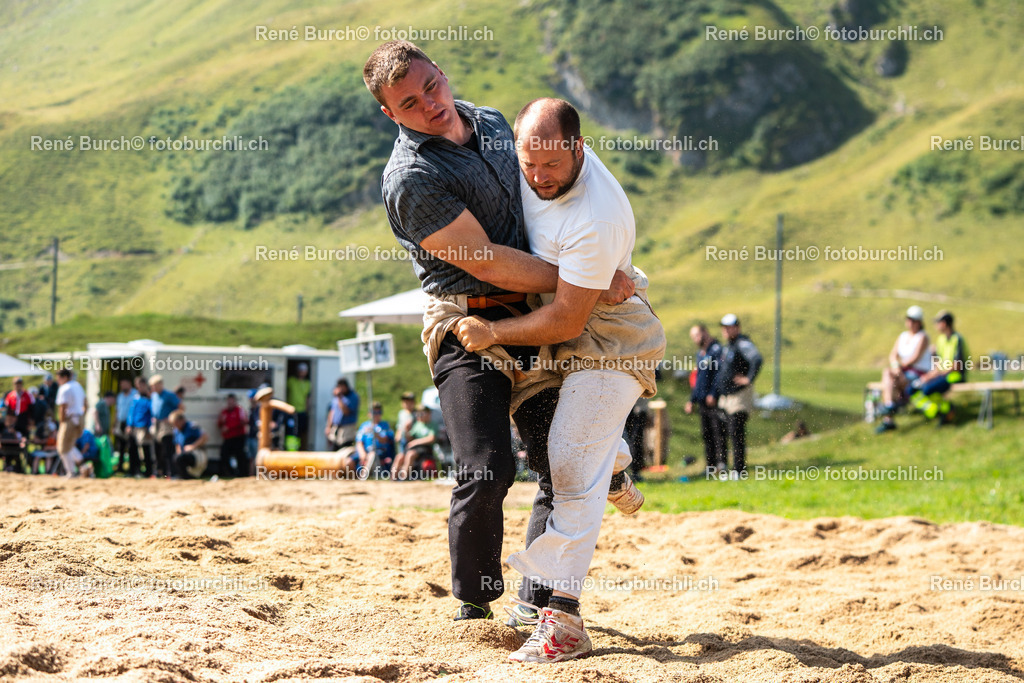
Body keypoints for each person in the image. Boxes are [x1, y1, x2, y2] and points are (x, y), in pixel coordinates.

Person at [364, 41, 634, 622]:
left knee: (559, 467)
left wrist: (592, 260)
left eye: (431, 86)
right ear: (391, 115)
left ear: (441, 72)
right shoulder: (411, 178)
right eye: (410, 103)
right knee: (486, 466)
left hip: (535, 314)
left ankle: (535, 600)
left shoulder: (490, 122)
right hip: (466, 322)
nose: (431, 104)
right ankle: (475, 601)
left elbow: (547, 196)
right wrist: (585, 278)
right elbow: (483, 258)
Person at [454, 98, 665, 662]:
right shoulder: (521, 156)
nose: (539, 177)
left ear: (578, 148)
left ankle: (565, 618)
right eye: (530, 164)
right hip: (562, 318)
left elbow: (568, 318)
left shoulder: (598, 214)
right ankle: (612, 464)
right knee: (566, 448)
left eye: (551, 165)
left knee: (570, 460)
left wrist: (495, 336)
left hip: (611, 334)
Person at [712, 314, 762, 476]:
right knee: (722, 431)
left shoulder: (743, 343)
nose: (726, 330)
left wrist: (748, 378)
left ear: (737, 328)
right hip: (727, 397)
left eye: (729, 327)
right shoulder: (728, 346)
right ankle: (724, 466)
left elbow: (757, 359)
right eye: (724, 328)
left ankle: (739, 469)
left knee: (736, 431)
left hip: (739, 396)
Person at [875, 306, 932, 433]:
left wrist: (899, 367)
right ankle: (889, 408)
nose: (910, 322)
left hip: (918, 374)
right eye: (908, 319)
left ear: (919, 322)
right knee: (888, 375)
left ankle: (888, 414)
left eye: (913, 320)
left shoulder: (923, 337)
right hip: (902, 372)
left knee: (889, 380)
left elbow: (915, 358)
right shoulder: (902, 336)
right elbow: (893, 354)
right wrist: (896, 366)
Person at [906, 310, 967, 427]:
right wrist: (928, 376)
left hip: (955, 375)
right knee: (914, 388)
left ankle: (948, 410)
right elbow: (938, 364)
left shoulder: (957, 339)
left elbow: (957, 365)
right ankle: (943, 410)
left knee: (928, 388)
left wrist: (936, 374)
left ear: (944, 323)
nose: (936, 325)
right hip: (942, 374)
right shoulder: (941, 340)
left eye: (937, 322)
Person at [685, 324, 727, 476]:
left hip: (714, 400)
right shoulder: (700, 354)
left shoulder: (717, 350)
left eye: (697, 335)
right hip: (702, 400)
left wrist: (713, 394)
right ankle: (710, 466)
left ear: (705, 332)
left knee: (718, 432)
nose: (695, 339)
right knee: (707, 434)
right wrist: (692, 400)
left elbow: (719, 374)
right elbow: (699, 379)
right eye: (693, 337)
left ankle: (722, 464)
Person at [391, 404, 438, 480]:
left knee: (410, 454)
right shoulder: (417, 425)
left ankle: (403, 478)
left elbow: (431, 438)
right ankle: (393, 479)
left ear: (428, 414)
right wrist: (406, 430)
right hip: (415, 448)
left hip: (426, 449)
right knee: (399, 457)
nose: (419, 416)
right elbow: (410, 438)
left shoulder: (432, 425)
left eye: (422, 413)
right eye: (418, 413)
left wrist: (416, 442)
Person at [55, 368, 86, 477]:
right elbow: (85, 403)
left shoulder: (65, 388)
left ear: (65, 377)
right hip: (80, 417)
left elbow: (63, 407)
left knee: (62, 447)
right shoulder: (78, 386)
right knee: (70, 445)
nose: (58, 380)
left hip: (69, 419)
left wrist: (62, 422)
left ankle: (71, 471)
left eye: (59, 378)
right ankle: (84, 467)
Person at [149, 375, 180, 478]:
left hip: (166, 425)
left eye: (154, 385)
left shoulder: (169, 395)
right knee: (156, 449)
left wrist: (171, 418)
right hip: (156, 424)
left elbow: (181, 407)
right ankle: (159, 471)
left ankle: (171, 472)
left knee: (168, 449)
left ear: (160, 384)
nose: (152, 388)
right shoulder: (154, 396)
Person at [355, 401, 396, 476]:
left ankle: (363, 476)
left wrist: (376, 435)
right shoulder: (364, 426)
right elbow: (359, 442)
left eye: (378, 412)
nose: (376, 415)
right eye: (374, 412)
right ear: (369, 414)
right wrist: (362, 453)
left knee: (372, 455)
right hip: (365, 451)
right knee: (349, 461)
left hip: (380, 452)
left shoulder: (385, 425)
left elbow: (386, 440)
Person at [126, 377, 154, 478]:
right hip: (134, 427)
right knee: (132, 449)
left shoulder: (149, 398)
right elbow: (131, 413)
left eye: (141, 385)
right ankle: (134, 471)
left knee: (146, 450)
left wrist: (149, 427)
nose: (140, 387)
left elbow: (151, 413)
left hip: (143, 427)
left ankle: (148, 472)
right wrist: (129, 424)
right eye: (138, 385)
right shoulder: (135, 397)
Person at [170, 410, 208, 479]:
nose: (175, 426)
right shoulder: (176, 431)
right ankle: (185, 477)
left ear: (182, 420)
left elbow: (205, 437)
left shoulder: (192, 426)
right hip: (185, 455)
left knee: (180, 458)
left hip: (197, 454)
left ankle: (189, 476)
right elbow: (177, 444)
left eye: (176, 423)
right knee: (177, 457)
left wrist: (193, 446)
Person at [218, 393, 249, 477]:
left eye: (231, 401)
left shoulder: (240, 410)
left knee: (240, 456)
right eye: (228, 402)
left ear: (235, 401)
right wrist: (222, 424)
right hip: (228, 438)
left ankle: (243, 474)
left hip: (238, 437)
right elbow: (219, 423)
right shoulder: (224, 412)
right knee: (224, 454)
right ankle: (228, 473)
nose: (230, 403)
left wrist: (229, 427)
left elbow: (243, 422)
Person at [325, 379, 359, 449]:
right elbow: (332, 412)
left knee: (345, 450)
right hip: (336, 428)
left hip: (347, 429)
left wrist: (340, 398)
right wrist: (328, 426)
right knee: (333, 449)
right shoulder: (336, 398)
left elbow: (346, 412)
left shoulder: (353, 397)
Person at [287, 363, 312, 450]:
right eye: (300, 370)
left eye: (304, 370)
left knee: (301, 432)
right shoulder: (291, 380)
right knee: (292, 432)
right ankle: (291, 451)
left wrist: (307, 410)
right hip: (291, 411)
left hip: (302, 412)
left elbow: (308, 398)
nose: (302, 372)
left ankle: (300, 450)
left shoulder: (308, 383)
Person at [114, 378, 134, 472]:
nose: (122, 386)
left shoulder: (135, 394)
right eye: (121, 384)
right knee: (120, 446)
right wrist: (114, 425)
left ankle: (132, 468)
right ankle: (120, 467)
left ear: (129, 384)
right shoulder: (120, 396)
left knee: (130, 446)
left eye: (124, 384)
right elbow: (117, 411)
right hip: (120, 423)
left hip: (130, 423)